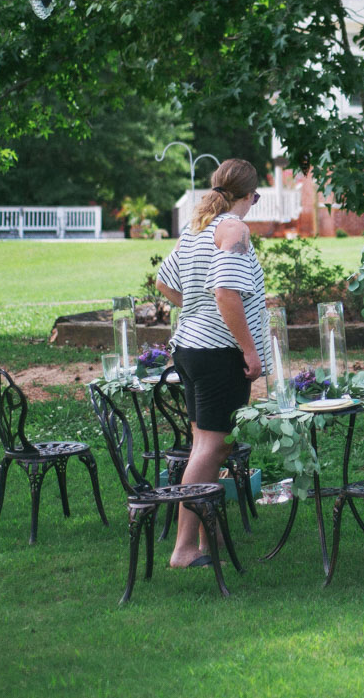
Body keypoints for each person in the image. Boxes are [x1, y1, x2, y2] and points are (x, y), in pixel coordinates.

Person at [154, 158, 271, 568]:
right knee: (211, 447)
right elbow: (225, 292)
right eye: (255, 197)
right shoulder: (233, 229)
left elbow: (164, 282)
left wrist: (196, 310)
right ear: (247, 196)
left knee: (205, 445)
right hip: (218, 355)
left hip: (189, 348)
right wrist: (250, 350)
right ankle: (185, 548)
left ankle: (209, 535)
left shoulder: (198, 227)